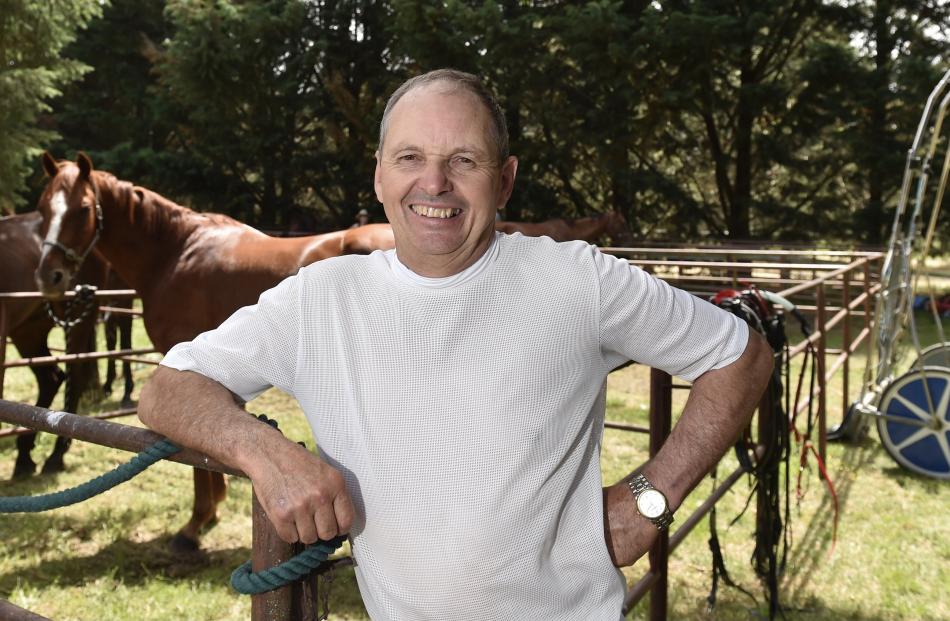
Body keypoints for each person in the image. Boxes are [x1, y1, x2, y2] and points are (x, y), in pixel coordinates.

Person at [139, 69, 772, 620]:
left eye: (464, 160)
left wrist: (650, 501)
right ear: (380, 174)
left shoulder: (577, 279)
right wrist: (264, 452)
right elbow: (168, 389)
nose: (434, 183)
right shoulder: (320, 297)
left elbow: (740, 356)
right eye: (409, 157)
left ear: (504, 181)